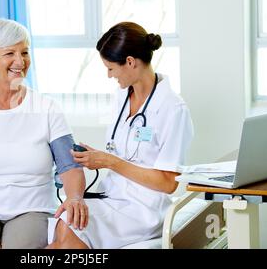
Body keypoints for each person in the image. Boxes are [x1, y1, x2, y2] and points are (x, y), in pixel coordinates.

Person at [47, 22, 194, 249]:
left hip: (143, 210)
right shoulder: (122, 96)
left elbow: (168, 184)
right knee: (64, 222)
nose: (108, 75)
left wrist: (109, 162)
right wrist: (96, 157)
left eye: (111, 68)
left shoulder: (173, 109)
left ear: (130, 62)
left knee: (67, 234)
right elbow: (122, 151)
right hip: (112, 196)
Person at [0, 19, 88, 249]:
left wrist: (74, 198)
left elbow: (69, 166)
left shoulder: (47, 108)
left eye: (24, 52)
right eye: (9, 53)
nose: (20, 61)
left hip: (32, 211)